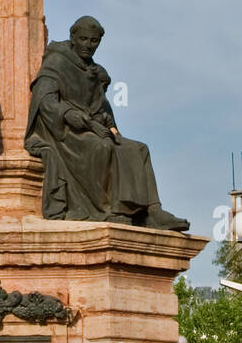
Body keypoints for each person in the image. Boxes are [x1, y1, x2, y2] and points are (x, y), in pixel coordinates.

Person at [26, 16, 190, 231]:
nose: (88, 45)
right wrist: (70, 115)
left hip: (91, 127)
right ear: (73, 37)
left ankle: (152, 211)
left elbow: (102, 108)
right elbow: (46, 101)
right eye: (83, 39)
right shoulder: (56, 63)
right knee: (102, 147)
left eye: (94, 41)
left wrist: (110, 126)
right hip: (64, 132)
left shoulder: (94, 71)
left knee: (138, 149)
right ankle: (106, 210)